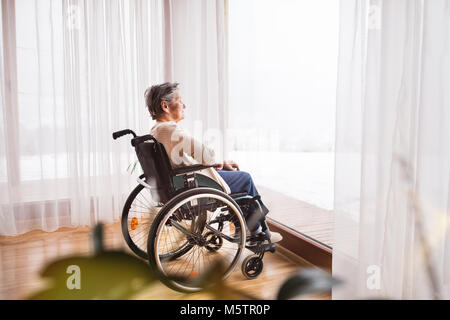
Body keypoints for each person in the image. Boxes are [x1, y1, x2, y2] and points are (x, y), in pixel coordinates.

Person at [145, 82, 282, 242]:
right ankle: (258, 231)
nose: (184, 105)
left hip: (180, 182)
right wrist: (216, 162)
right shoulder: (171, 130)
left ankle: (241, 227)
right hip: (191, 184)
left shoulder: (156, 130)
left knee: (232, 174)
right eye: (179, 100)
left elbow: (197, 159)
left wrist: (220, 163)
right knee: (245, 179)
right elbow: (207, 156)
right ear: (165, 106)